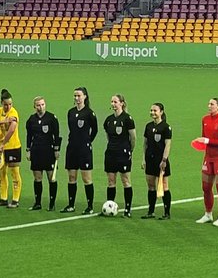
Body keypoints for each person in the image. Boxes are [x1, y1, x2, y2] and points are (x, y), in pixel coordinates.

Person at [62, 87, 99, 215]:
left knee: (86, 178)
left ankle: (90, 206)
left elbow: (95, 130)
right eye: (75, 96)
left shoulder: (89, 113)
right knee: (72, 177)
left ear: (85, 97)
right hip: (72, 148)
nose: (77, 98)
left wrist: (87, 141)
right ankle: (71, 205)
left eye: (79, 96)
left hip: (84, 150)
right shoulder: (71, 112)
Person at [197, 97, 218, 226]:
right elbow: (204, 138)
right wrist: (200, 142)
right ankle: (208, 214)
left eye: (212, 104)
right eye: (209, 103)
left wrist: (208, 141)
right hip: (208, 157)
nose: (209, 106)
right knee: (206, 187)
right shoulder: (205, 119)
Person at [25, 96, 61, 210]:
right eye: (38, 105)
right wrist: (28, 150)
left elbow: (57, 135)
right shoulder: (31, 120)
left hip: (48, 152)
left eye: (42, 104)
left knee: (51, 178)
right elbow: (29, 136)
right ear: (34, 106)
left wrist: (56, 150)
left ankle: (52, 204)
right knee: (37, 178)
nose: (41, 107)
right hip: (36, 151)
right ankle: (38, 203)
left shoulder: (51, 118)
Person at [103, 94, 136, 216]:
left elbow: (133, 137)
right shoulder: (108, 120)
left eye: (115, 102)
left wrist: (129, 150)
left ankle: (128, 209)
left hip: (123, 154)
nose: (113, 104)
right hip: (111, 153)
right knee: (111, 181)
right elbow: (108, 136)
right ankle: (110, 206)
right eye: (112, 102)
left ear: (121, 103)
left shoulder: (128, 119)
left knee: (126, 180)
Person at [141, 102, 172, 219]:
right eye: (151, 110)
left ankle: (167, 213)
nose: (153, 113)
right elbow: (145, 144)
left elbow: (167, 145)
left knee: (164, 186)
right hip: (150, 160)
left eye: (155, 111)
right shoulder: (148, 126)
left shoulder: (166, 127)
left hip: (161, 161)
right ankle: (151, 211)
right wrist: (143, 159)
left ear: (161, 112)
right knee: (151, 186)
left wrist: (164, 160)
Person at [0, 89, 23, 208]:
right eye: (6, 104)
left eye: (10, 104)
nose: (8, 106)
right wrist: (4, 120)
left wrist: (3, 144)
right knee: (1, 172)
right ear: (1, 103)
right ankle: (3, 198)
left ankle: (15, 200)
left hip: (12, 146)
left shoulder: (14, 113)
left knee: (14, 172)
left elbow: (11, 129)